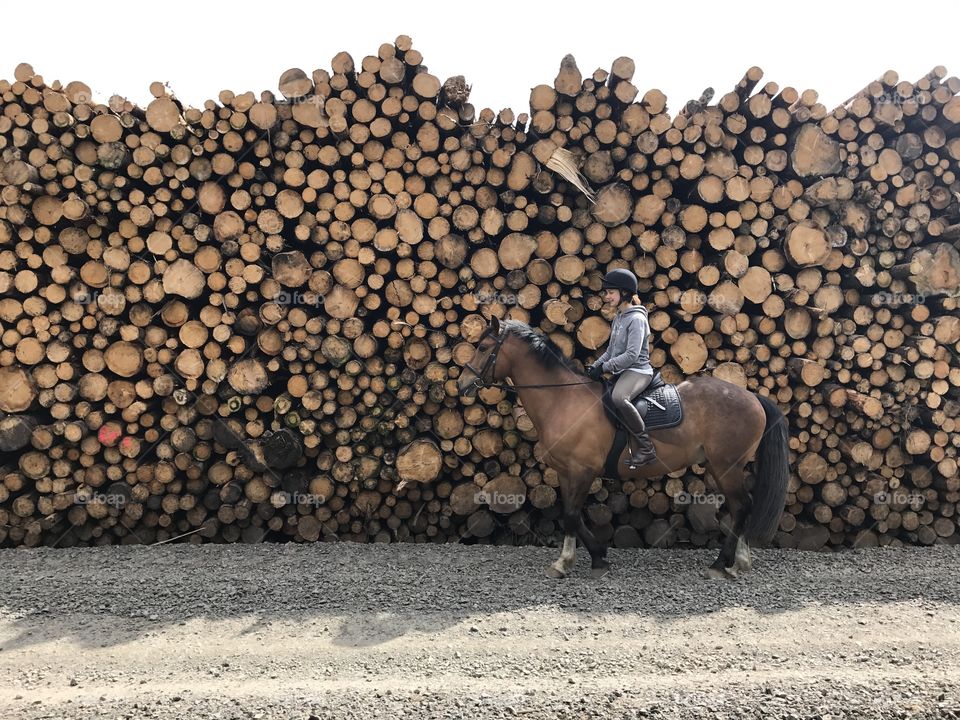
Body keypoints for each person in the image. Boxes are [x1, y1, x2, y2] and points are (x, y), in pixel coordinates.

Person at [585, 268, 657, 467]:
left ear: (624, 293)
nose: (606, 297)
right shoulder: (619, 317)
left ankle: (646, 448)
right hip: (624, 369)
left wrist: (606, 367)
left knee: (619, 398)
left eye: (610, 292)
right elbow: (611, 351)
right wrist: (596, 366)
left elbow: (632, 355)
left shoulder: (637, 319)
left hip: (639, 371)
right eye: (606, 293)